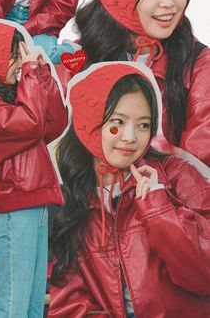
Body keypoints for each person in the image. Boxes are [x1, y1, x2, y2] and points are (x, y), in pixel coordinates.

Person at [48, 62, 210, 318]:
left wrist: (158, 207)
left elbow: (204, 276)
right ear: (89, 124)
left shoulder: (179, 177)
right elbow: (70, 306)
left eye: (143, 125)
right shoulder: (71, 202)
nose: (130, 137)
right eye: (117, 124)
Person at [74, 0, 210, 167]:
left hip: (164, 198)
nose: (169, 2)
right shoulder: (79, 58)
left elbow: (199, 168)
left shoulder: (200, 66)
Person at [0, 22, 68, 317]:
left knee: (30, 305)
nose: (21, 61)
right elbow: (30, 123)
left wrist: (42, 74)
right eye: (15, 55)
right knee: (13, 305)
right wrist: (30, 73)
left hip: (34, 204)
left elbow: (54, 123)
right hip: (12, 210)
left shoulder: (12, 97)